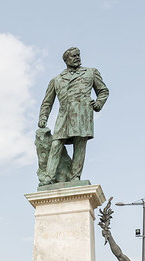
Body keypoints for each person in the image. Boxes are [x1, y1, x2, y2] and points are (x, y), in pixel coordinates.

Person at [37, 47, 109, 185]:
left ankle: (75, 176)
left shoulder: (91, 72)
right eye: (74, 56)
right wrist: (43, 117)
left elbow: (103, 91)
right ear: (66, 60)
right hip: (64, 115)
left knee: (80, 145)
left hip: (83, 114)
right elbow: (47, 102)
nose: (77, 57)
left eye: (78, 55)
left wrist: (99, 103)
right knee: (56, 144)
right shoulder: (56, 80)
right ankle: (49, 177)